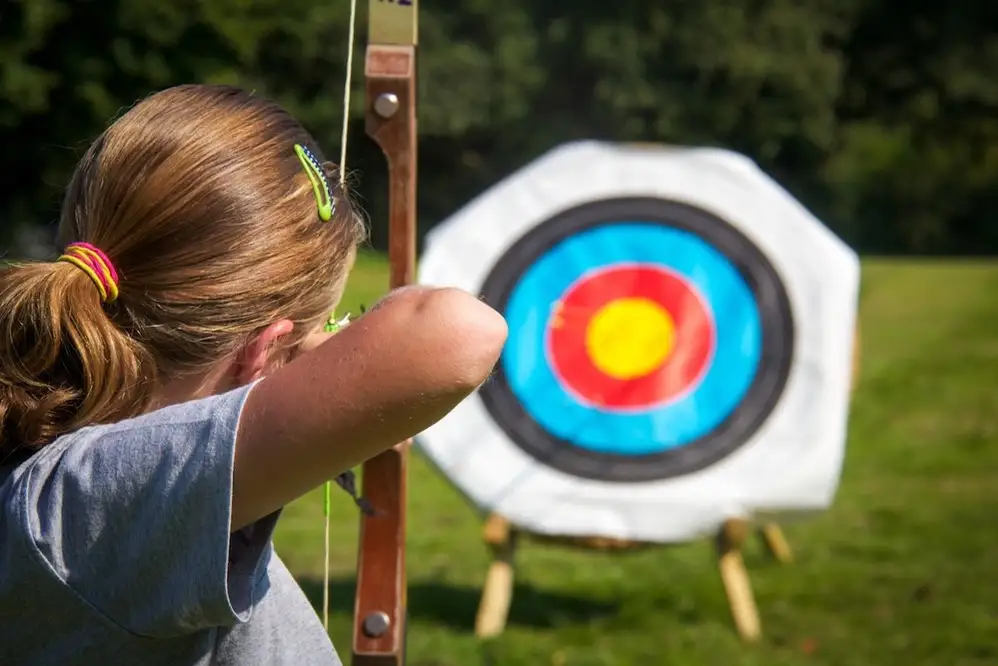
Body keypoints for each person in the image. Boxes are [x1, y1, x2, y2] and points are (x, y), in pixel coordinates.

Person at [0, 84, 507, 666]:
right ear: (265, 350)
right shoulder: (88, 510)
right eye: (326, 325)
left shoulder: (59, 488)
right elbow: (458, 331)